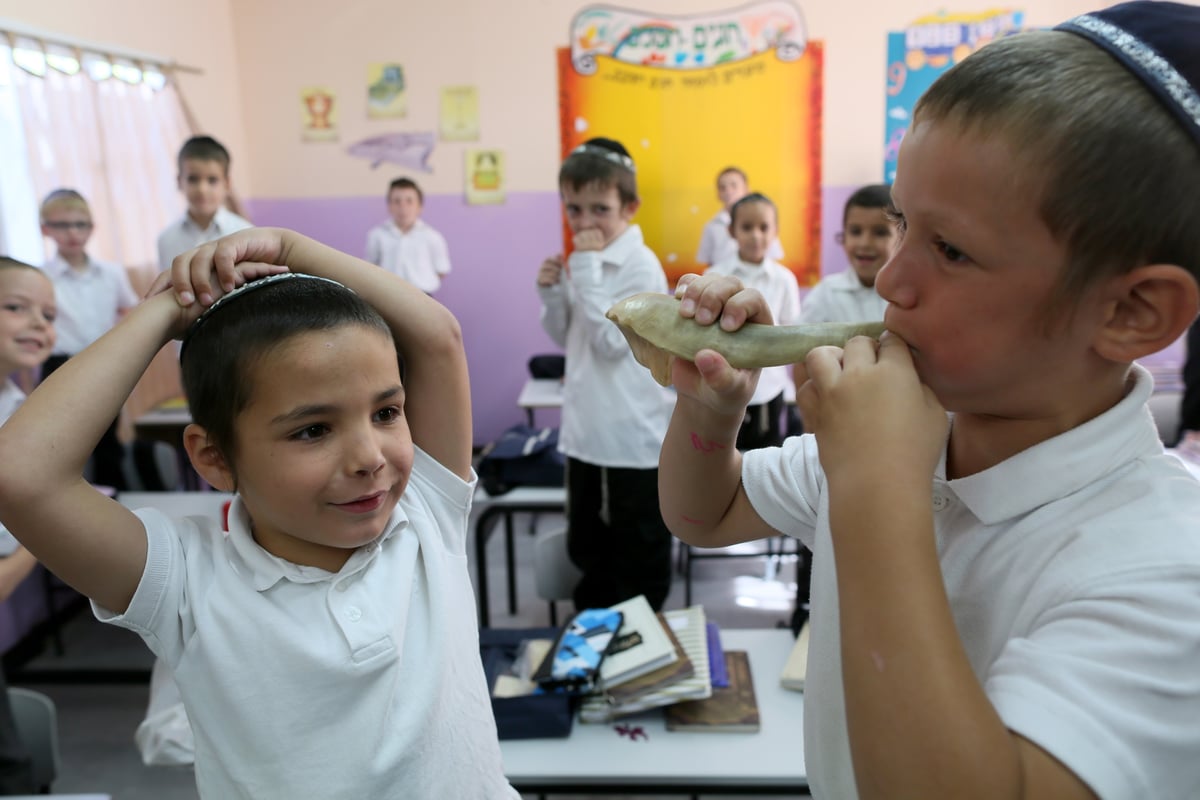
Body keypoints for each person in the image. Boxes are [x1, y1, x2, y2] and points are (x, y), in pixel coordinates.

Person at [658, 3, 1200, 798]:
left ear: (1130, 312)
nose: (890, 279)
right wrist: (713, 407)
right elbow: (704, 513)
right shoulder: (909, 425)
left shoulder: (1168, 577)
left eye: (949, 249)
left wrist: (877, 487)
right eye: (901, 222)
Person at [0, 229, 518, 799]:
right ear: (214, 457)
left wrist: (287, 249)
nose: (370, 458)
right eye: (313, 430)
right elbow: (21, 475)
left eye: (387, 412)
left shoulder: (425, 512)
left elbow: (437, 336)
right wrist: (164, 313)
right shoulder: (187, 583)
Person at [536, 137, 676, 611]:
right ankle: (595, 638)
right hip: (586, 432)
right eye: (574, 209)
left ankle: (641, 641)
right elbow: (569, 338)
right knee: (588, 544)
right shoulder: (587, 264)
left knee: (637, 552)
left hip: (628, 437)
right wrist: (554, 294)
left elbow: (612, 344)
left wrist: (587, 270)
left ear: (629, 208)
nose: (585, 222)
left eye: (600, 208)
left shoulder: (638, 264)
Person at [38, 189, 138, 489]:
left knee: (107, 441)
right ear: (45, 229)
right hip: (58, 366)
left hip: (102, 365)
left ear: (91, 228)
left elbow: (132, 310)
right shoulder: (42, 277)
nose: (72, 232)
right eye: (62, 225)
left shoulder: (111, 273)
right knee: (60, 447)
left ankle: (114, 503)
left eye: (80, 224)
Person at [0, 257, 56, 794]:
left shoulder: (19, 406)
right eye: (17, 308)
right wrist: (46, 531)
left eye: (49, 313)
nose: (41, 325)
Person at [705, 192, 800, 450]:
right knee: (723, 457)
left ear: (775, 231)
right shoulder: (714, 275)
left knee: (766, 461)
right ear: (732, 231)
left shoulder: (784, 279)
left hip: (769, 390)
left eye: (763, 227)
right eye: (747, 227)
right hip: (723, 389)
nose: (756, 235)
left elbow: (792, 331)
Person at [801, 183, 895, 324]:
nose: (865, 243)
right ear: (843, 237)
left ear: (903, 239)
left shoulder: (911, 294)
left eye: (880, 232)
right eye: (855, 231)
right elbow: (797, 340)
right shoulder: (826, 294)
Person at [156, 135, 252, 272]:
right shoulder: (165, 240)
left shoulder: (246, 233)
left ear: (227, 184)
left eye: (212, 180)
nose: (202, 189)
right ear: (179, 181)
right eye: (193, 179)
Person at [365, 177, 451, 294]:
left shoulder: (432, 236)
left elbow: (441, 270)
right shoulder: (377, 235)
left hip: (423, 295)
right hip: (387, 295)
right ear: (389, 206)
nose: (403, 207)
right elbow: (371, 266)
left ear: (420, 206)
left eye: (409, 201)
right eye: (397, 201)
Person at [695, 166, 784, 268]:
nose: (728, 191)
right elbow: (708, 263)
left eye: (734, 185)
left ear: (746, 189)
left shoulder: (764, 221)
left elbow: (773, 259)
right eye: (722, 187)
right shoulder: (711, 226)